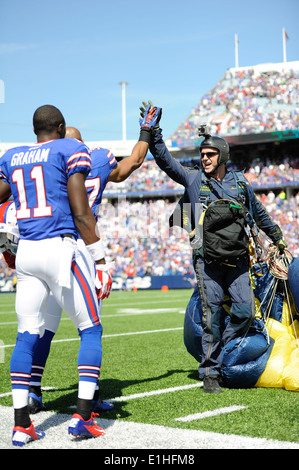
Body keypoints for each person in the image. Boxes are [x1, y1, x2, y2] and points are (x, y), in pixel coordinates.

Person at [0, 103, 161, 446]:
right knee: (90, 328)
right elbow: (83, 208)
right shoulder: (84, 155)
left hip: (28, 250)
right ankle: (84, 414)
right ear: (63, 131)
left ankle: (22, 418)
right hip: (67, 248)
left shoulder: (17, 156)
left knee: (31, 332)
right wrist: (101, 261)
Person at [143, 102, 287, 394]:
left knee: (245, 312)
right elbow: (166, 161)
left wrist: (278, 237)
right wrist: (153, 133)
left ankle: (222, 355)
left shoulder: (240, 183)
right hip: (206, 262)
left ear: (223, 157)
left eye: (210, 154)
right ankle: (210, 373)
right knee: (212, 317)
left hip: (238, 262)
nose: (204, 158)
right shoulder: (195, 180)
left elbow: (259, 214)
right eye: (202, 154)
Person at [27, 124, 150, 415]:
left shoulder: (48, 161)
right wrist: (146, 132)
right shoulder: (97, 158)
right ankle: (90, 397)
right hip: (82, 248)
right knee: (89, 327)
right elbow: (133, 162)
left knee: (44, 327)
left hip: (47, 245)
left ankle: (32, 391)